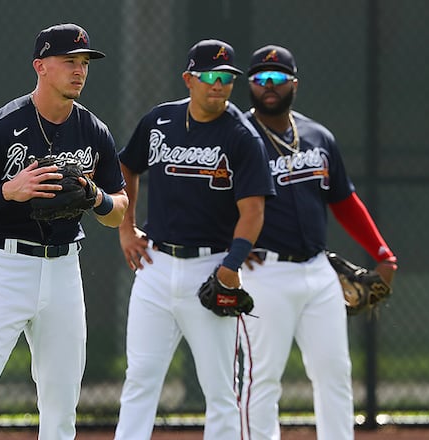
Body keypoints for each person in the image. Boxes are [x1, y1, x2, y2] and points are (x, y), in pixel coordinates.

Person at [0, 23, 128, 439]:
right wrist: (10, 190)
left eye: (84, 63)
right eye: (69, 62)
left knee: (61, 401)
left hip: (64, 270)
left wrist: (95, 197)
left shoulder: (94, 131)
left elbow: (119, 209)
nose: (79, 70)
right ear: (40, 66)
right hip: (5, 266)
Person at [114, 39, 276, 439]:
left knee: (220, 389)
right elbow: (126, 166)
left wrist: (231, 266)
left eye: (227, 78)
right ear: (189, 79)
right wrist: (126, 227)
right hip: (154, 265)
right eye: (211, 76)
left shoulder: (242, 135)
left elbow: (253, 211)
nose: (219, 85)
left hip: (211, 267)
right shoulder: (160, 121)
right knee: (140, 380)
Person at [238, 45, 397, 440]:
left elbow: (343, 201)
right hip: (263, 273)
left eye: (277, 78)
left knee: (334, 373)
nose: (268, 86)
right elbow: (210, 198)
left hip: (318, 269)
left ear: (294, 83)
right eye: (259, 79)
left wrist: (382, 254)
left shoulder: (317, 135)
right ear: (250, 86)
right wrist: (233, 247)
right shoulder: (237, 135)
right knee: (263, 380)